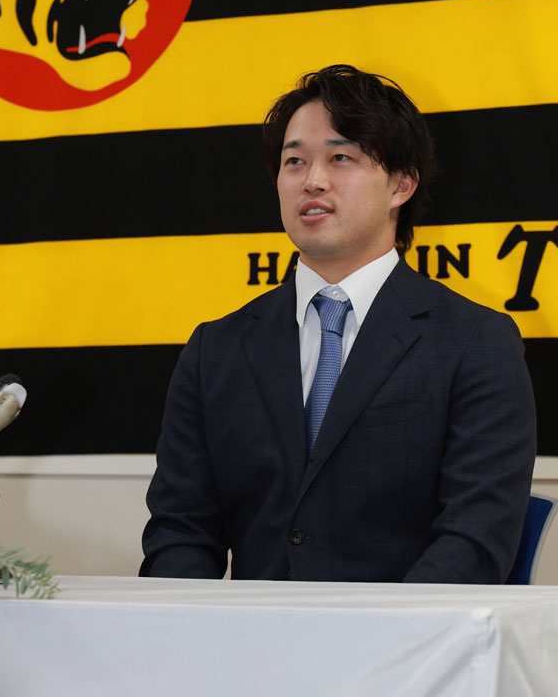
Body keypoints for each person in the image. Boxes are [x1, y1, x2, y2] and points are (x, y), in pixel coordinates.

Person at [140, 64, 536, 582]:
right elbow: (180, 531)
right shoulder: (215, 348)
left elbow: (474, 537)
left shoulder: (476, 342)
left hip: (405, 631)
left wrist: (366, 631)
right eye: (294, 161)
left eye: (340, 157)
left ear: (401, 185)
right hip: (247, 632)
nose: (312, 180)